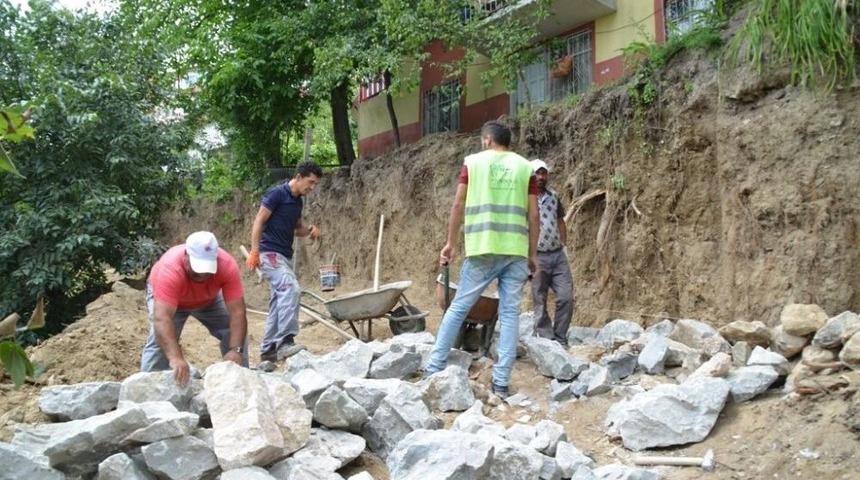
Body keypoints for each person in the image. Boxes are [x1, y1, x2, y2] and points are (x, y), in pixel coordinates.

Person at [424, 121, 539, 399]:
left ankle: (434, 367)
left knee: (459, 306)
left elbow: (458, 204)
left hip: (482, 248)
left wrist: (451, 243)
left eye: (482, 140)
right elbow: (534, 215)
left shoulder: (473, 163)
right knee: (510, 314)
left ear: (487, 140)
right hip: (514, 250)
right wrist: (532, 254)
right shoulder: (526, 168)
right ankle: (501, 382)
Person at [140, 231, 248, 386]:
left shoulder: (227, 265)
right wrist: (176, 358)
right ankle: (145, 389)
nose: (202, 274)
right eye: (197, 268)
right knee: (161, 343)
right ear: (186, 256)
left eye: (207, 270)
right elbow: (162, 318)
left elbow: (237, 312)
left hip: (208, 299)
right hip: (172, 302)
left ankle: (242, 383)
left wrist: (236, 350)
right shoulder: (170, 268)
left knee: (234, 332)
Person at [246, 161, 323, 362]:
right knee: (291, 289)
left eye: (315, 184)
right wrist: (255, 251)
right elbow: (259, 221)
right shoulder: (277, 194)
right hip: (270, 254)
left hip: (284, 257)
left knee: (278, 303)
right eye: (310, 182)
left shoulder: (298, 202)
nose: (312, 187)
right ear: (298, 176)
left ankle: (268, 349)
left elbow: (295, 228)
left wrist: (309, 230)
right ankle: (285, 342)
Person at [529, 159, 574, 347]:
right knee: (540, 299)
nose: (540, 177)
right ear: (530, 176)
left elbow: (560, 220)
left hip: (557, 255)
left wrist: (564, 244)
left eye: (543, 173)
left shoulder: (554, 196)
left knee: (566, 296)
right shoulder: (523, 198)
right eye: (537, 173)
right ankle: (547, 341)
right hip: (537, 256)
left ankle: (561, 338)